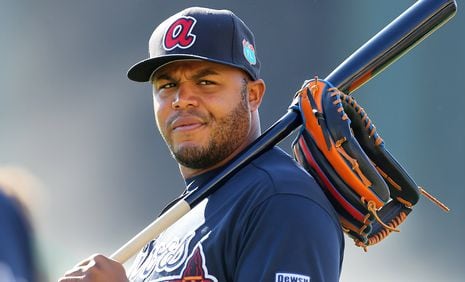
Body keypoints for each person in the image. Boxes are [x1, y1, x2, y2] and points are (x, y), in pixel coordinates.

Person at [59, 7, 344, 282]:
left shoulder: (280, 201)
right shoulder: (177, 220)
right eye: (167, 86)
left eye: (206, 82)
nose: (181, 99)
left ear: (254, 95)